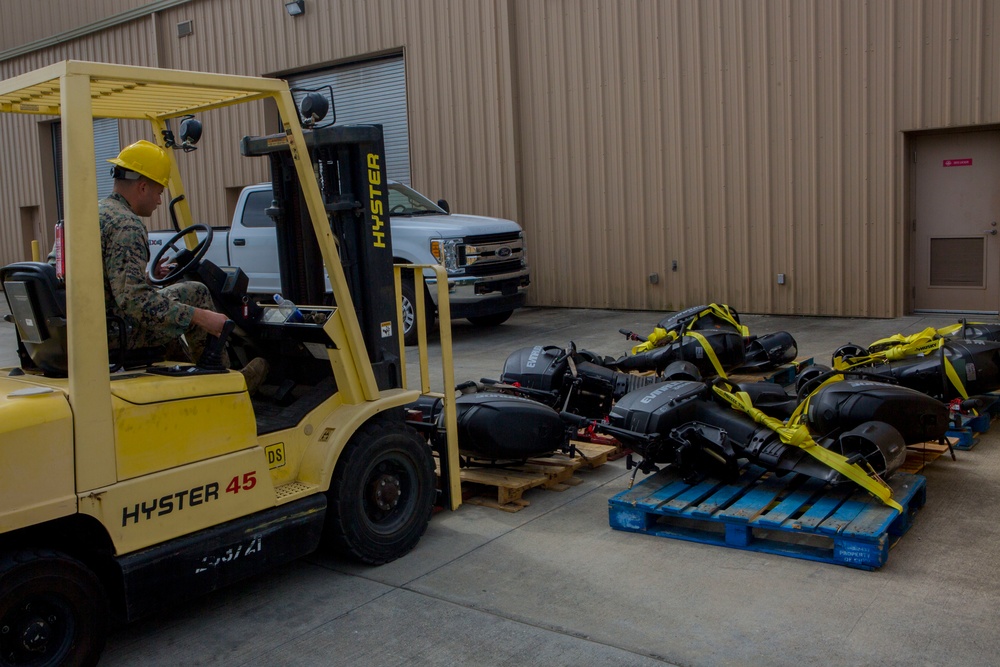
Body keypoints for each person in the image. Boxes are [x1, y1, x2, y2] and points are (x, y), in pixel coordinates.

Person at [100, 140, 267, 391]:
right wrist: (201, 317)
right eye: (158, 192)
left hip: (95, 325)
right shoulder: (127, 225)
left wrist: (145, 278)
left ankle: (191, 383)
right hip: (115, 333)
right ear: (143, 187)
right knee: (195, 293)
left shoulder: (93, 214)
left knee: (167, 309)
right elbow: (134, 301)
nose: (158, 201)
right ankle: (226, 385)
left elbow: (102, 281)